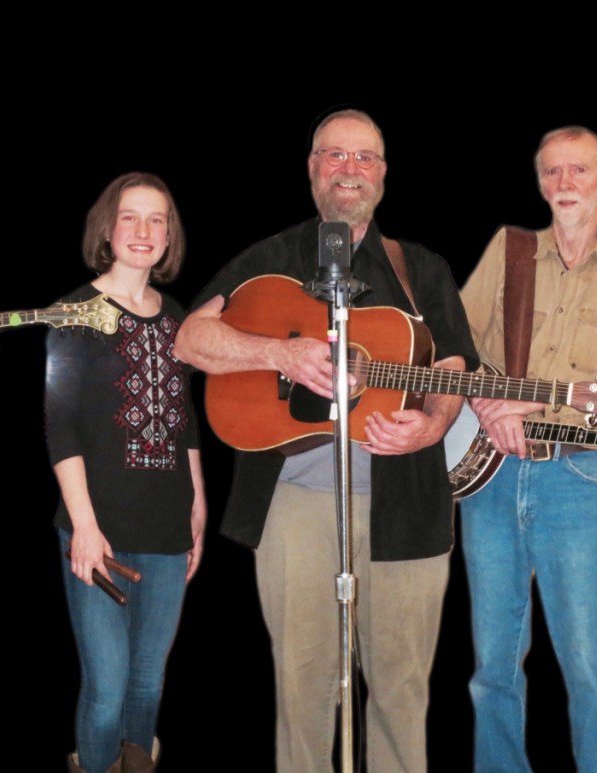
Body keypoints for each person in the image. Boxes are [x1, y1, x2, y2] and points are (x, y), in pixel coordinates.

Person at [174, 109, 477, 772]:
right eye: (334, 156)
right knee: (303, 684)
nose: (349, 169)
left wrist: (432, 423)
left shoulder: (421, 267)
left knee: (401, 689)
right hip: (294, 503)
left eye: (363, 157)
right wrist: (277, 356)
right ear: (312, 169)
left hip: (409, 509)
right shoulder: (272, 258)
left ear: (383, 174)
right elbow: (191, 337)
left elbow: (453, 367)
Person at [458, 126, 597, 772]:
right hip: (489, 478)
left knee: (590, 669)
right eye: (552, 172)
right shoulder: (508, 249)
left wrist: (533, 405)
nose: (563, 183)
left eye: (579, 171)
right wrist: (489, 401)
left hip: (578, 481)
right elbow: (455, 344)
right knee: (492, 667)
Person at [46, 172, 206, 773]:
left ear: (169, 236)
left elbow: (185, 421)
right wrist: (84, 529)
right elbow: (60, 428)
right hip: (99, 529)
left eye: (157, 219)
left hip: (166, 529)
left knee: (147, 687)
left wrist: (199, 507)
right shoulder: (72, 312)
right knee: (108, 688)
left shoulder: (180, 319)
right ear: (107, 229)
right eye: (130, 217)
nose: (143, 231)